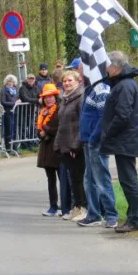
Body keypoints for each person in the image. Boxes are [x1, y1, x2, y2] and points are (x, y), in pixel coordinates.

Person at [100, 51, 138, 233]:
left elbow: (123, 115)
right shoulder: (125, 84)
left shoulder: (125, 86)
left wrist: (108, 134)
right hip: (126, 140)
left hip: (125, 140)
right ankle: (133, 216)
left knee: (129, 181)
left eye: (108, 66)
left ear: (116, 67)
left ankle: (136, 219)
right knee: (128, 180)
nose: (105, 69)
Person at [76, 58, 119, 229]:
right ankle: (94, 214)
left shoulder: (101, 90)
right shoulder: (91, 89)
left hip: (96, 142)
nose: (78, 73)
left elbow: (103, 117)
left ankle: (111, 215)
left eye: (80, 69)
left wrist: (94, 138)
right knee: (89, 180)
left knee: (101, 179)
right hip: (88, 141)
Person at [53, 70, 86, 222]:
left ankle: (84, 208)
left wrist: (76, 145)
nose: (66, 83)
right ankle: (77, 207)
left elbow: (82, 124)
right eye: (64, 81)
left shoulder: (80, 98)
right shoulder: (64, 99)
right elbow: (62, 124)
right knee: (73, 179)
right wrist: (57, 144)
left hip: (75, 146)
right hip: (64, 145)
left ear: (78, 81)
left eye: (70, 81)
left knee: (80, 178)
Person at [35, 83, 64, 217]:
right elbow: (39, 127)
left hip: (56, 148)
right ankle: (53, 205)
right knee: (50, 179)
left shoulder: (59, 110)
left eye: (51, 97)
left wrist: (45, 130)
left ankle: (65, 206)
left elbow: (58, 129)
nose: (48, 99)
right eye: (46, 97)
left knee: (62, 178)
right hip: (46, 149)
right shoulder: (43, 111)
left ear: (55, 96)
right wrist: (40, 132)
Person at [0, 75, 20, 151]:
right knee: (8, 130)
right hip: (7, 112)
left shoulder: (16, 90)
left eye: (12, 81)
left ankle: (14, 147)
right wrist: (14, 103)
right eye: (9, 81)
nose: (10, 83)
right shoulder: (3, 90)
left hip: (16, 112)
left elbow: (19, 99)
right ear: (6, 82)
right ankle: (8, 148)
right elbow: (3, 102)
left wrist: (19, 102)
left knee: (15, 130)